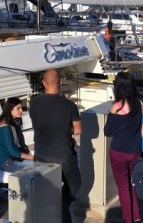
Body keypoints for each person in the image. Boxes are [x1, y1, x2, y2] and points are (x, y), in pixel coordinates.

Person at [30, 69, 82, 222]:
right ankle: (60, 206)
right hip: (63, 155)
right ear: (60, 82)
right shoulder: (69, 105)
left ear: (43, 83)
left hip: (40, 155)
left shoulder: (34, 102)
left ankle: (55, 206)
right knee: (74, 184)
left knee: (45, 188)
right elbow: (78, 130)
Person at [103, 72, 143, 223]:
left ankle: (128, 219)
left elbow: (107, 131)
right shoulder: (137, 103)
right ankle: (136, 215)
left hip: (119, 151)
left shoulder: (117, 107)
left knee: (122, 186)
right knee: (128, 182)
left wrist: (111, 114)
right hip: (135, 151)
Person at [0, 97, 34, 172]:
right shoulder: (4, 127)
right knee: (37, 166)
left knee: (39, 164)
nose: (21, 111)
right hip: (7, 162)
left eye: (21, 108)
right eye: (18, 108)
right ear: (10, 109)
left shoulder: (14, 123)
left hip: (14, 158)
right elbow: (12, 151)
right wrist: (32, 157)